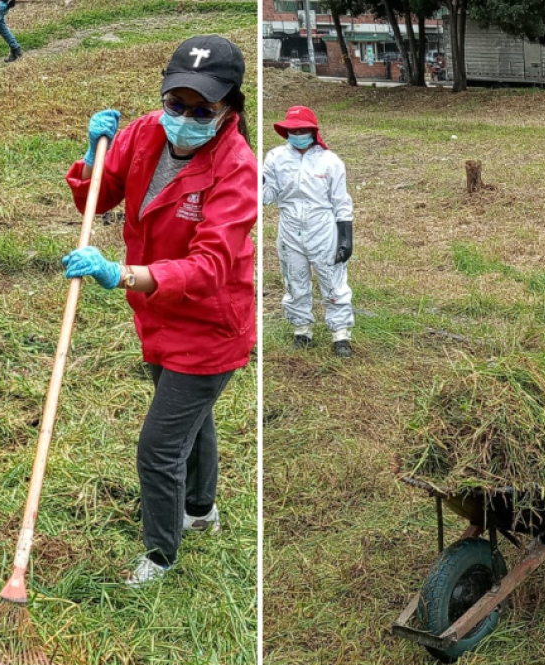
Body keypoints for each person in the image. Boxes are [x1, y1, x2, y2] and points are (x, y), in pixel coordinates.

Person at [62, 35, 256, 587]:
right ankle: (200, 509)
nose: (185, 117)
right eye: (177, 103)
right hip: (156, 315)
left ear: (230, 108)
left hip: (210, 324)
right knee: (191, 420)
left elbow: (210, 266)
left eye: (203, 109)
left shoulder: (236, 169)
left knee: (159, 445)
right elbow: (97, 198)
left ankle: (161, 554)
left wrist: (121, 274)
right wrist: (92, 155)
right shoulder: (147, 132)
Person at [262, 105, 355, 357]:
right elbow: (267, 196)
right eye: (293, 130)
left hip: (322, 228)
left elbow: (340, 201)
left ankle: (340, 335)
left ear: (313, 131)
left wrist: (345, 236)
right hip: (290, 228)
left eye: (303, 129)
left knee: (333, 283)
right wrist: (256, 182)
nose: (298, 134)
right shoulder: (276, 158)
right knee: (295, 281)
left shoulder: (330, 161)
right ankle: (301, 330)